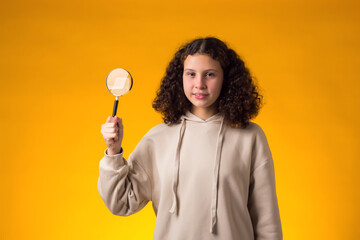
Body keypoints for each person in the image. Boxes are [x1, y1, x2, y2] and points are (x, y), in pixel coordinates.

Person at [98, 37, 283, 240]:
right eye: (191, 74)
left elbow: (267, 222)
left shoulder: (250, 137)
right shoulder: (158, 139)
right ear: (180, 78)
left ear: (226, 78)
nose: (199, 84)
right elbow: (121, 202)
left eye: (210, 74)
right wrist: (113, 152)